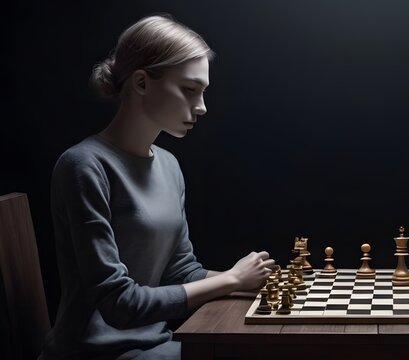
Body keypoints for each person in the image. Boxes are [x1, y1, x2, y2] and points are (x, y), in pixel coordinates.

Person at [40, 14, 275, 360]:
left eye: (203, 92)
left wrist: (251, 282)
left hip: (160, 344)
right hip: (95, 353)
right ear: (141, 82)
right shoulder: (83, 165)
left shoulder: (168, 165)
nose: (202, 107)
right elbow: (119, 304)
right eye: (189, 90)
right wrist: (232, 281)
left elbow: (180, 272)